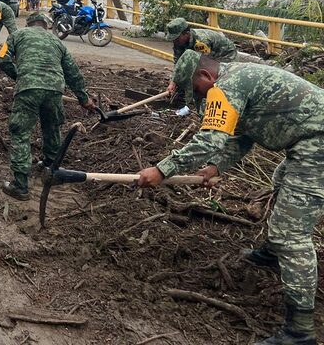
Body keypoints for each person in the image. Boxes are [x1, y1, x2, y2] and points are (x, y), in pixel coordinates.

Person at [137, 51, 324, 345]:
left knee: (292, 235)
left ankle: (299, 331)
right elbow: (243, 136)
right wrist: (215, 167)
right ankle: (274, 253)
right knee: (280, 180)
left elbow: (209, 139)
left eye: (196, 91)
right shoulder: (237, 78)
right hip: (308, 140)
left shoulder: (225, 87)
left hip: (318, 143)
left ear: (206, 77)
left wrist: (163, 169)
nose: (199, 98)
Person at [0, 13, 95, 200]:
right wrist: (84, 98)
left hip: (28, 88)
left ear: (29, 24)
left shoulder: (17, 35)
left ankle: (20, 185)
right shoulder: (57, 41)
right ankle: (51, 168)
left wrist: (19, 76)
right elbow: (73, 72)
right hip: (55, 90)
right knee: (52, 128)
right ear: (46, 26)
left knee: (20, 132)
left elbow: (2, 58)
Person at [165, 17, 238, 94]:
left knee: (221, 80)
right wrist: (173, 82)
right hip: (211, 54)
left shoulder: (201, 41)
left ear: (186, 33)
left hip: (226, 54)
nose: (174, 41)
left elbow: (204, 66)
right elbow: (178, 62)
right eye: (173, 39)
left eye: (176, 38)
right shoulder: (178, 42)